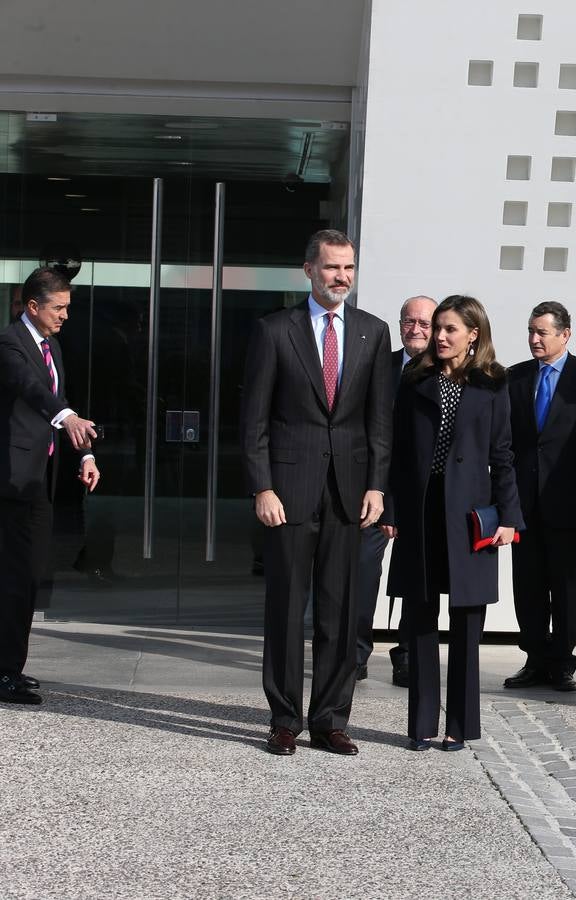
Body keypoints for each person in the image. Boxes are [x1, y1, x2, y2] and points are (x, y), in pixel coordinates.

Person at [240, 229, 392, 756]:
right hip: (288, 491)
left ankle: (330, 718)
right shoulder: (275, 331)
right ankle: (284, 717)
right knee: (285, 609)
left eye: (349, 268)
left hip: (349, 492)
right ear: (309, 270)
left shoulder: (374, 333)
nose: (341, 278)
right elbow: (254, 419)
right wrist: (262, 486)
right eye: (332, 268)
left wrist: (377, 485)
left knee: (341, 611)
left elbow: (378, 422)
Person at [382, 295, 521, 751]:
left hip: (470, 516)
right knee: (419, 620)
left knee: (466, 624)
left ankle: (459, 725)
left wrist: (509, 517)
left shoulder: (493, 382)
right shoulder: (414, 378)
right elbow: (397, 453)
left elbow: (502, 454)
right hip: (421, 511)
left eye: (450, 330)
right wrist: (391, 511)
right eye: (437, 328)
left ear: (473, 334)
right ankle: (421, 725)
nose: (438, 337)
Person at [0, 267, 100, 705]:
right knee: (12, 578)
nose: (64, 316)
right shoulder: (10, 342)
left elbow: (60, 403)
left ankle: (10, 668)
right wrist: (65, 417)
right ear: (33, 306)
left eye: (68, 308)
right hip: (10, 481)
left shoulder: (51, 346)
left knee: (29, 576)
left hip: (40, 481)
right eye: (59, 308)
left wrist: (85, 454)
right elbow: (33, 391)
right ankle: (4, 674)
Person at [504, 301, 576, 692]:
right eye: (531, 331)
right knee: (527, 584)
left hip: (569, 501)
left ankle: (562, 661)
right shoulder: (513, 377)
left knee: (565, 584)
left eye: (542, 332)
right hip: (523, 502)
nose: (534, 339)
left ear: (565, 335)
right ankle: (534, 658)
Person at [354, 294, 437, 687]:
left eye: (424, 323)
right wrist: (382, 497)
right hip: (375, 493)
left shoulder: (448, 371)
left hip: (423, 498)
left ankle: (407, 655)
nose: (416, 329)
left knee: (416, 582)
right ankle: (354, 655)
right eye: (409, 321)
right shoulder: (378, 364)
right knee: (361, 575)